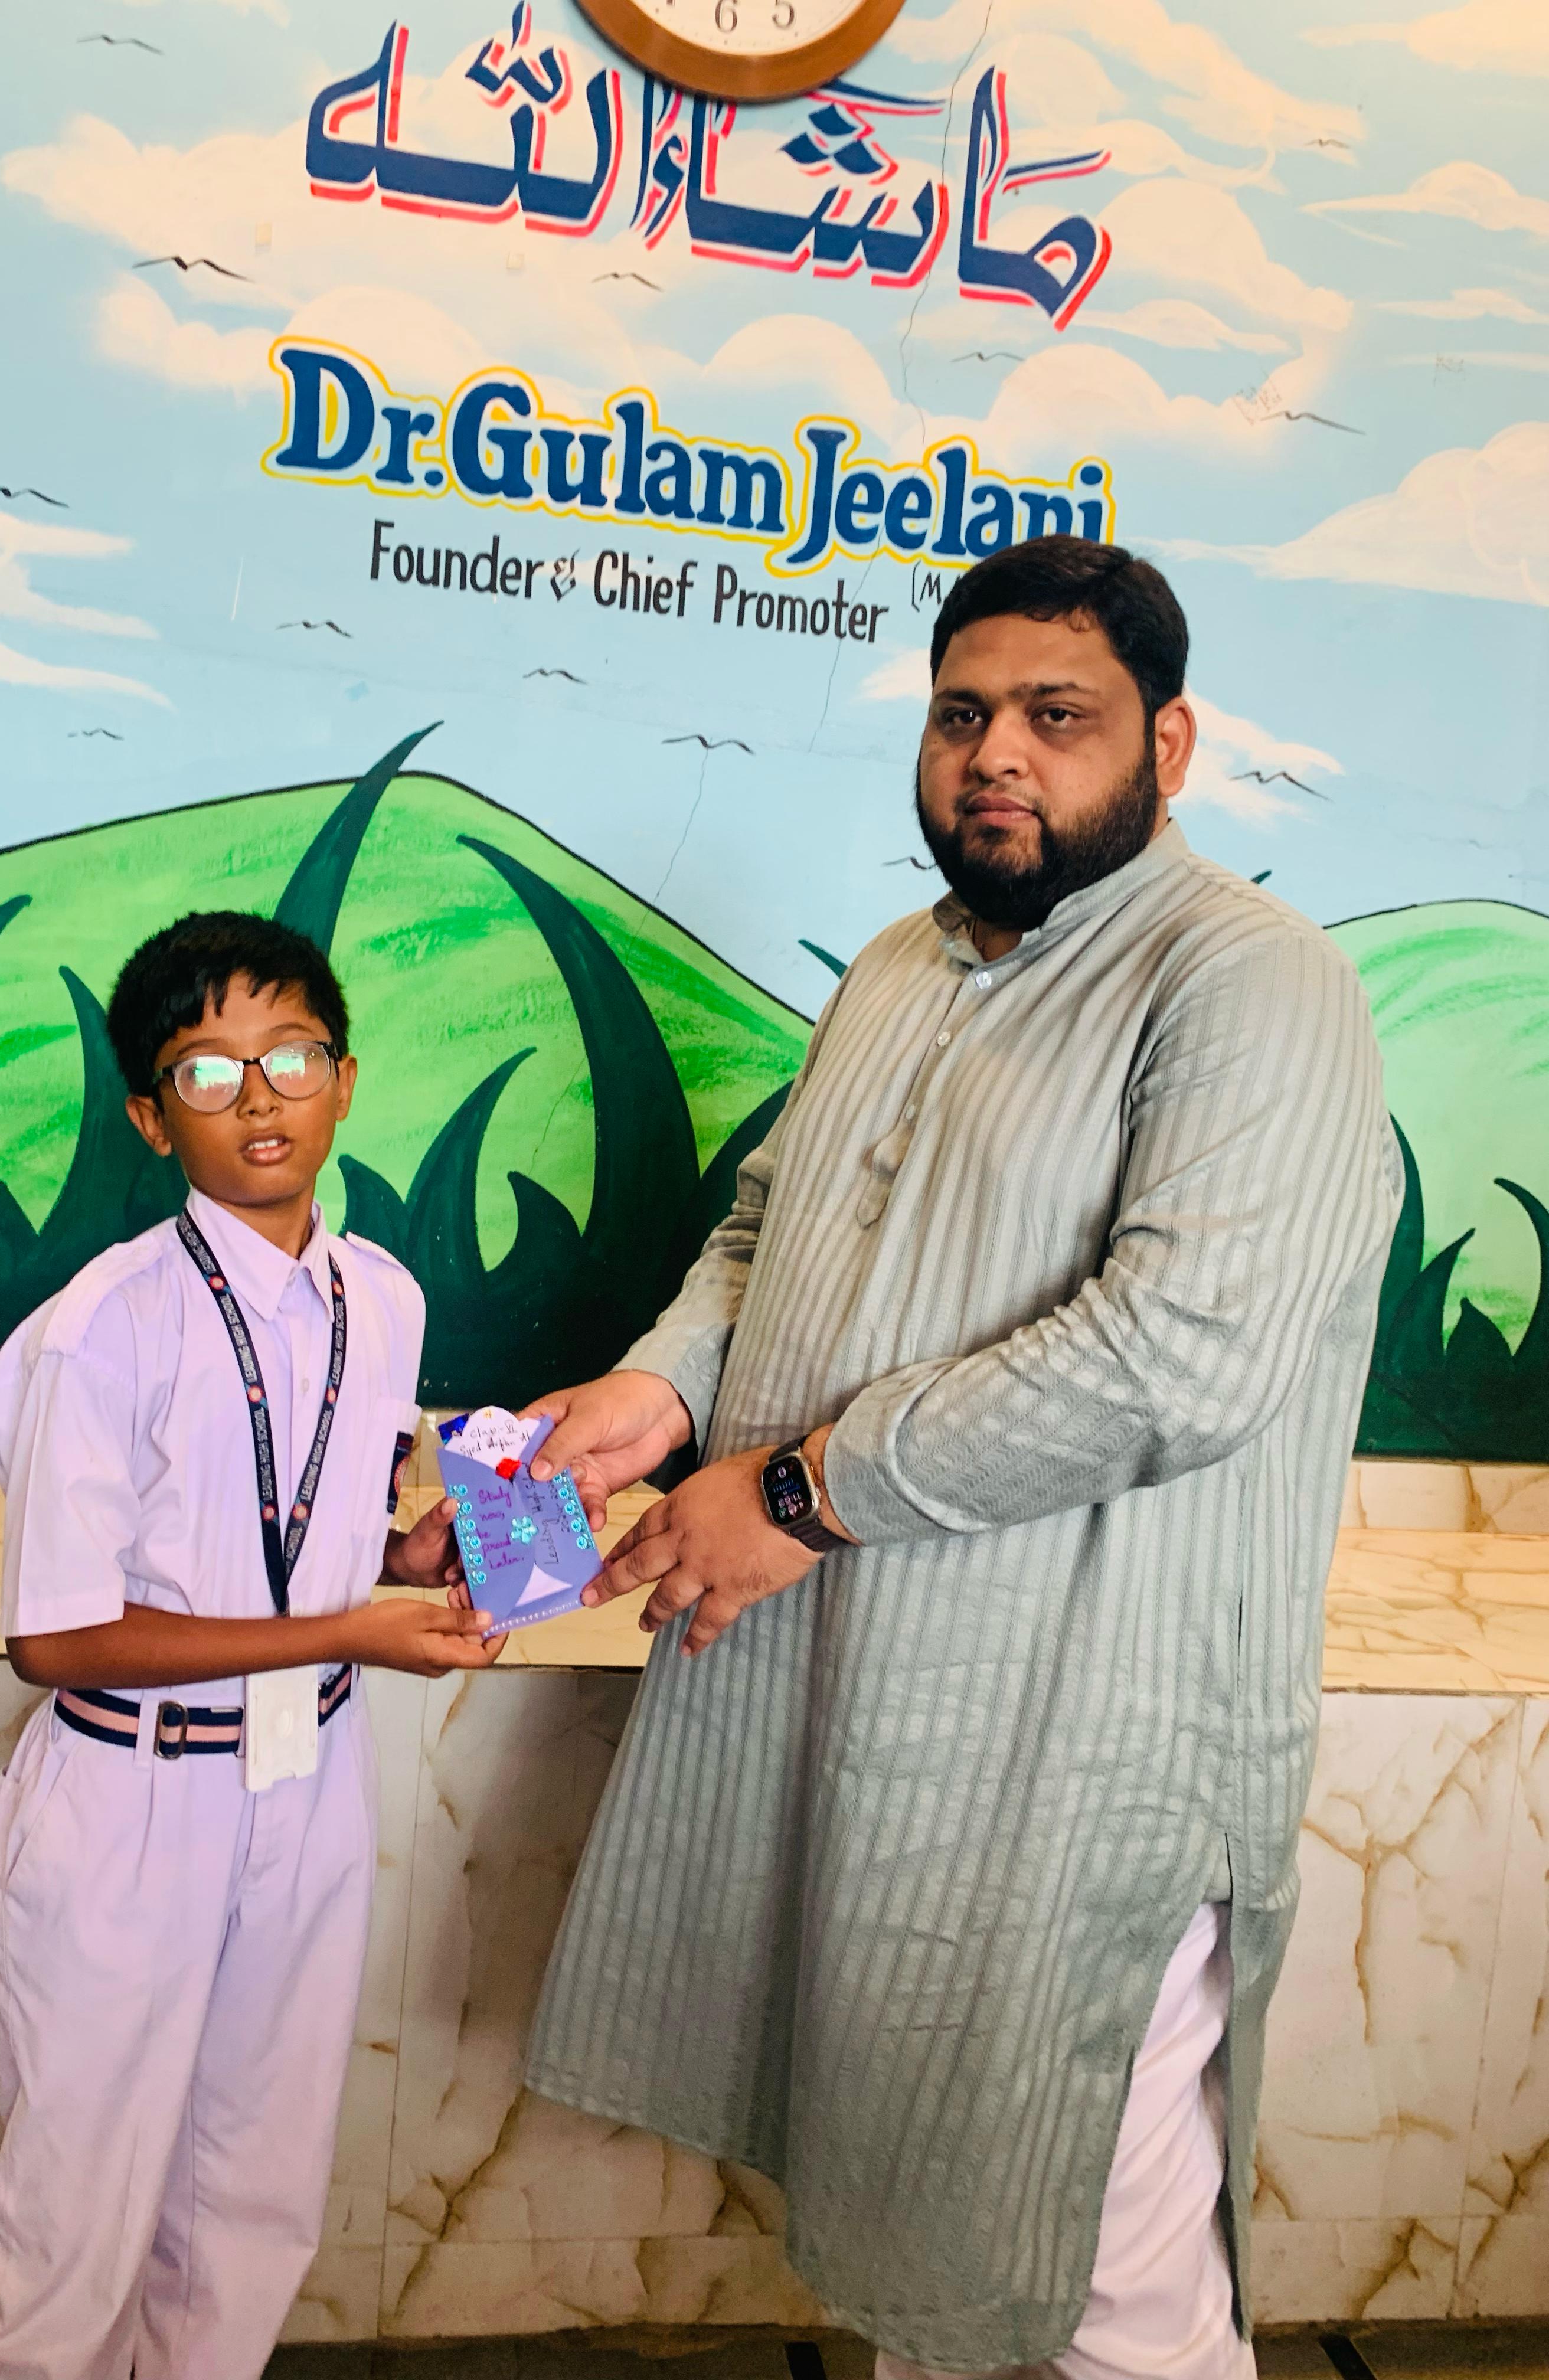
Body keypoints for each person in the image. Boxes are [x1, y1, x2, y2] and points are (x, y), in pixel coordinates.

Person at [518, 540, 1401, 2380]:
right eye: (960, 715)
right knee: (925, 2238)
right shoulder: (902, 968)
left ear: (1169, 747)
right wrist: (663, 1396)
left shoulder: (1253, 983)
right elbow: (769, 1230)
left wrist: (793, 1493)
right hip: (880, 1726)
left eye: (1055, 716)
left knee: (1102, 2280)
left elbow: (1181, 1355)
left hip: (1083, 1755)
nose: (995, 752)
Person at [0, 913, 543, 2380]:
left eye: (292, 1055)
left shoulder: (384, 1297)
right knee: (74, 2224)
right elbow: (55, 1636)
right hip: (130, 1800)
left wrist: (406, 1562)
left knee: (251, 2204)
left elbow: (302, 1531)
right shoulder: (104, 1326)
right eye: (208, 1071)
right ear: (153, 1118)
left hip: (309, 1782)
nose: (260, 1096)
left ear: (346, 1079)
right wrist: (349, 1626)